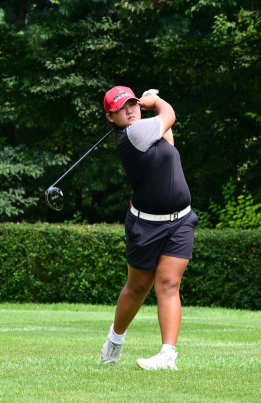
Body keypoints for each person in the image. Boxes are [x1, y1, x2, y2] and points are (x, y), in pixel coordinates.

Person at [100, 87, 198, 370]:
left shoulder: (146, 130)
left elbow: (168, 140)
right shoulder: (133, 134)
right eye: (121, 108)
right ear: (111, 116)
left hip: (180, 220)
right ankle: (115, 341)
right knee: (137, 286)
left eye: (133, 104)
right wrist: (157, 102)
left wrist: (152, 107)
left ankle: (168, 355)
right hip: (145, 224)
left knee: (168, 284)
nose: (130, 110)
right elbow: (170, 115)